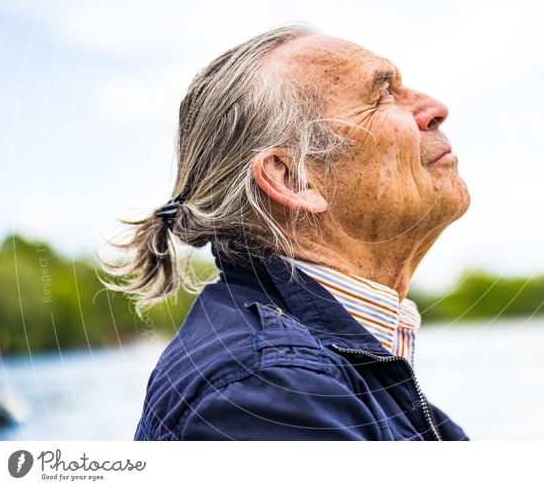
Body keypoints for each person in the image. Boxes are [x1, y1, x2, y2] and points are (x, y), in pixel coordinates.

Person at [105, 24, 471, 440]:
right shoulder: (264, 389)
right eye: (383, 93)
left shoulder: (322, 367)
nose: (435, 107)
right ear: (292, 178)